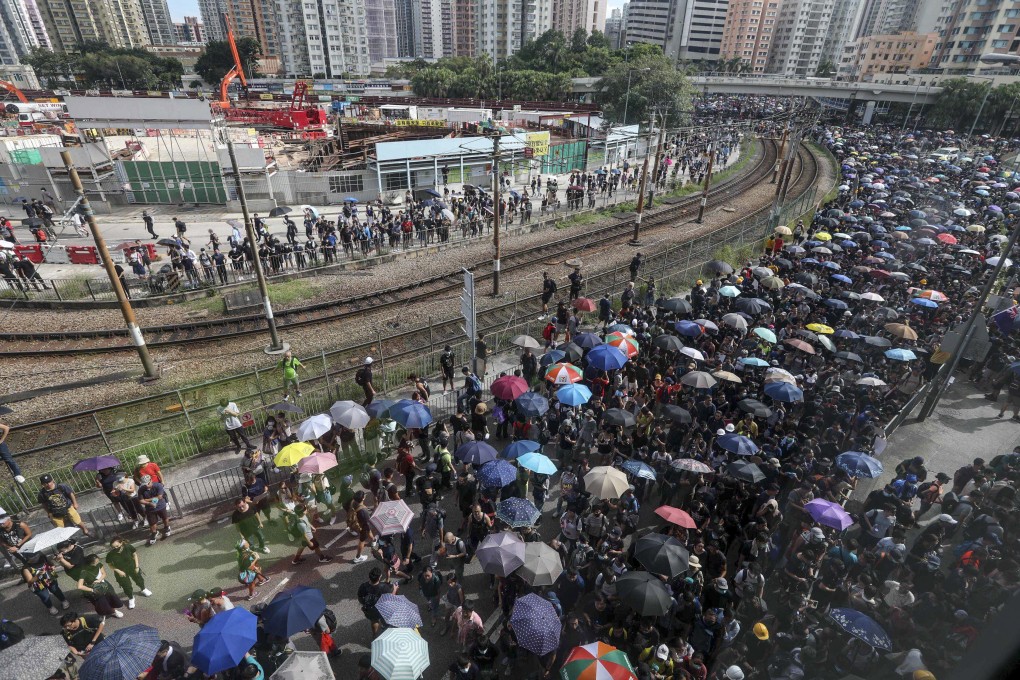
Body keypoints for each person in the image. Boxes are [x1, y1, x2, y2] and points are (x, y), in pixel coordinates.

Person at [106, 536, 151, 609]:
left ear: (121, 543)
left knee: (139, 579)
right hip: (120, 572)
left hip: (132, 567)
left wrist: (137, 567)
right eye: (113, 547)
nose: (115, 548)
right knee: (126, 585)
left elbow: (135, 555)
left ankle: (143, 589)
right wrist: (118, 571)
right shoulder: (110, 554)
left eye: (117, 546)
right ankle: (131, 598)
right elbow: (110, 565)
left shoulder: (128, 547)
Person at [75, 553, 125, 617]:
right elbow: (79, 586)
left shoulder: (99, 564)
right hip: (95, 589)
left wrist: (99, 580)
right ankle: (105, 613)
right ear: (91, 563)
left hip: (103, 584)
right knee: (101, 603)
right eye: (96, 562)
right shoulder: (84, 571)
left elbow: (104, 574)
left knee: (110, 598)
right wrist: (92, 590)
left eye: (98, 561)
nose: (98, 563)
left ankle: (114, 611)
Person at [358, 566, 394, 637]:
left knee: (374, 620)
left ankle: (375, 635)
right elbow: (390, 599)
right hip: (382, 608)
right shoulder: (384, 587)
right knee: (385, 620)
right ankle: (386, 630)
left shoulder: (363, 586)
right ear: (379, 577)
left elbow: (360, 598)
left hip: (370, 609)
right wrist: (395, 589)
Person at [137, 474, 171, 545]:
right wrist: (150, 503)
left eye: (147, 484)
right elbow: (141, 501)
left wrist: (147, 500)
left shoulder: (158, 485)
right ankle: (154, 532)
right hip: (149, 508)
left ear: (151, 481)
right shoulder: (141, 489)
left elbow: (160, 497)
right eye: (144, 484)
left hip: (161, 506)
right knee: (152, 523)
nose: (146, 485)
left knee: (164, 518)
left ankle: (167, 527)